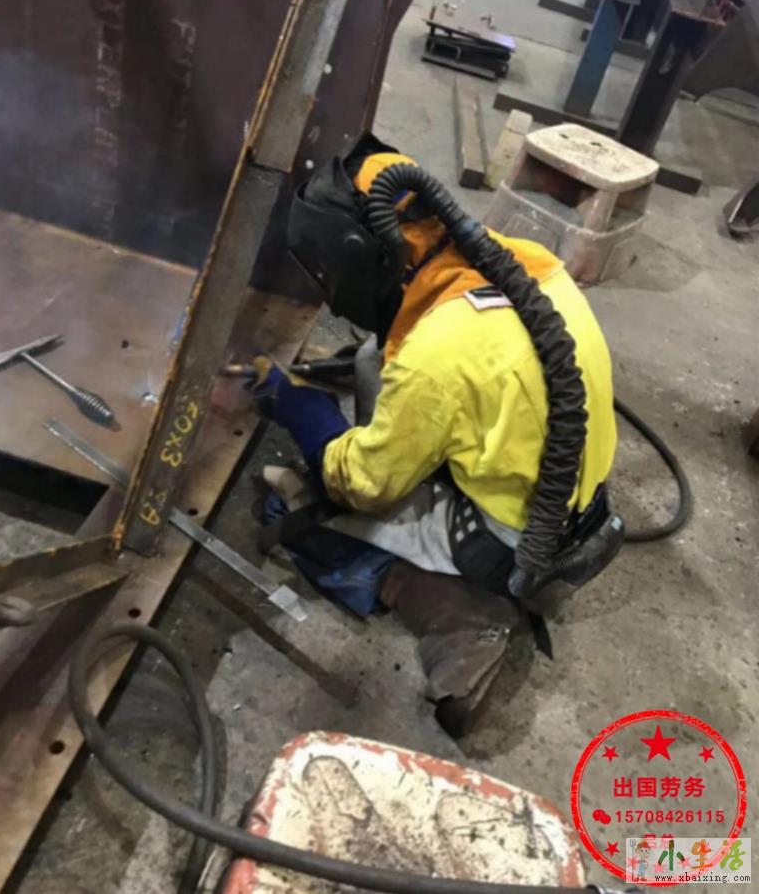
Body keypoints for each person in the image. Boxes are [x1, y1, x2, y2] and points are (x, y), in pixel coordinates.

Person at [250, 134, 620, 735]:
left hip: (512, 539)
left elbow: (361, 485)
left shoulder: (438, 355)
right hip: (579, 497)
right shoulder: (526, 261)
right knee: (372, 362)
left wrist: (301, 410)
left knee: (293, 509)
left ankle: (456, 615)